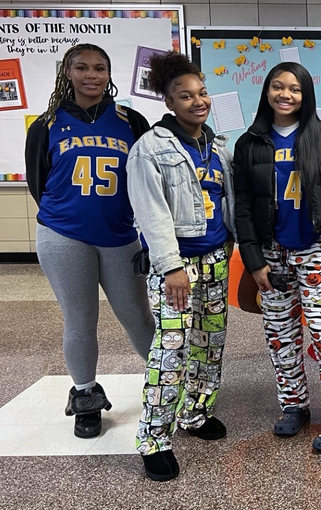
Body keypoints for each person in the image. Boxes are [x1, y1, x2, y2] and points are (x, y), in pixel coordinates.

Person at [25, 43, 154, 439]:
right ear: (68, 73)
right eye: (82, 68)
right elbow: (38, 182)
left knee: (138, 316)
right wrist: (70, 215)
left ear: (109, 74)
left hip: (119, 235)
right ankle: (85, 399)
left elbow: (148, 181)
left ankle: (169, 385)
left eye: (99, 68)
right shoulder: (46, 124)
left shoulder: (131, 121)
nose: (91, 75)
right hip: (64, 236)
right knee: (81, 320)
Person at [232, 62, 321, 453]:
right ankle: (294, 406)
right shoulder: (249, 141)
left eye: (295, 89)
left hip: (315, 246)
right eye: (277, 87)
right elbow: (241, 205)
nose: (285, 95)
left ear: (306, 95)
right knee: (280, 335)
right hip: (271, 253)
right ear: (267, 92)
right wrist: (254, 261)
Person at [126, 52, 235, 481]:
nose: (197, 101)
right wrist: (170, 267)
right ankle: (154, 438)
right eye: (185, 95)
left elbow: (230, 204)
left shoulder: (217, 146)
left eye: (202, 92)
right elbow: (151, 213)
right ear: (169, 102)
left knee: (210, 345)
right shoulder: (150, 149)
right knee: (169, 353)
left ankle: (195, 413)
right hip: (176, 268)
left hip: (215, 260)